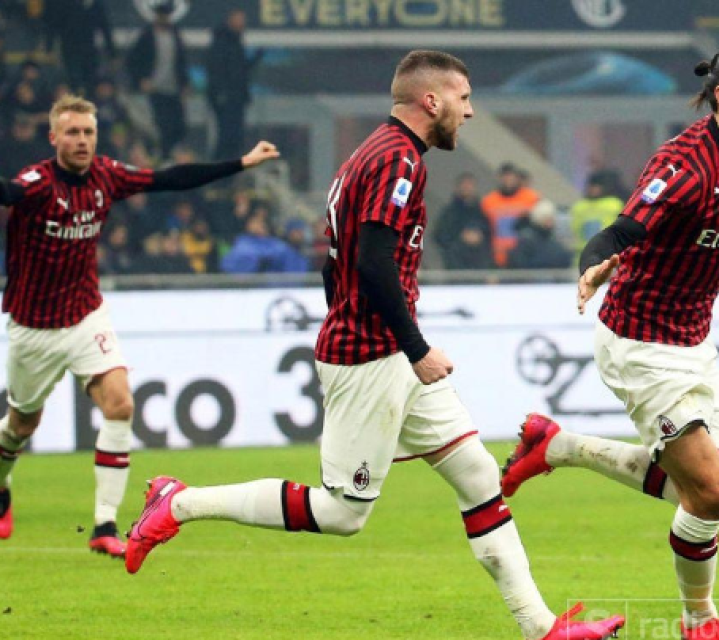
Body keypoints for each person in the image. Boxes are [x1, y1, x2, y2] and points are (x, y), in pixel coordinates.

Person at [124, 50, 625, 640]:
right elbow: (371, 261)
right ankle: (179, 502)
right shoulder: (397, 160)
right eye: (463, 98)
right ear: (431, 100)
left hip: (382, 349)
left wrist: (372, 330)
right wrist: (415, 348)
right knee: (342, 513)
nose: (470, 112)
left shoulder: (371, 153)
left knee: (476, 475)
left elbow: (336, 263)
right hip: (373, 356)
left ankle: (541, 628)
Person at [501, 45, 719, 640]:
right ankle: (700, 623)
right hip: (639, 341)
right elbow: (623, 227)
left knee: (708, 493)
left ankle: (558, 445)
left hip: (694, 340)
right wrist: (593, 264)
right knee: (710, 492)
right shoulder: (682, 166)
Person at [0, 94, 279, 555]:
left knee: (120, 404)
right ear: (53, 138)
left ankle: (104, 526)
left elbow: (169, 179)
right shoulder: (36, 184)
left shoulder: (106, 175)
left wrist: (241, 163)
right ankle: (3, 486)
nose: (82, 140)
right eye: (72, 132)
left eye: (88, 132)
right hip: (33, 327)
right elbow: (7, 192)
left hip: (85, 315)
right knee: (21, 424)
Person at [126, 0, 190, 157]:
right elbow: (132, 61)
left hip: (173, 89)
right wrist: (141, 79)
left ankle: (172, 155)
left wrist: (184, 84)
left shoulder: (175, 35)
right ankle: (162, 155)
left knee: (178, 125)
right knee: (160, 125)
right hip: (155, 89)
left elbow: (181, 62)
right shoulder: (147, 36)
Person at [206, 9, 264, 160]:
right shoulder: (222, 42)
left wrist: (256, 58)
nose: (242, 24)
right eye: (239, 20)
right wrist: (220, 93)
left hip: (236, 97)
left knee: (234, 136)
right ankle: (219, 166)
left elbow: (240, 70)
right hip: (227, 98)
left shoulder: (235, 43)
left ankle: (228, 166)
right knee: (227, 135)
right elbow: (217, 69)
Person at [481, 163, 541, 267]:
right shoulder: (488, 201)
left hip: (524, 256)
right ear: (499, 178)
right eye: (505, 176)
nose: (508, 180)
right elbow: (484, 228)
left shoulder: (531, 198)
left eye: (511, 177)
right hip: (498, 255)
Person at [433, 171, 493, 270]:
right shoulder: (449, 212)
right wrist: (460, 236)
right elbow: (439, 235)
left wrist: (479, 236)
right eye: (464, 185)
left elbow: (491, 231)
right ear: (458, 187)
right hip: (456, 264)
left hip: (481, 264)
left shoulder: (483, 211)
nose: (467, 188)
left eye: (470, 185)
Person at [507, 199, 572, 270]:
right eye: (547, 219)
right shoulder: (527, 241)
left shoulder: (554, 241)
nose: (550, 223)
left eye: (551, 219)